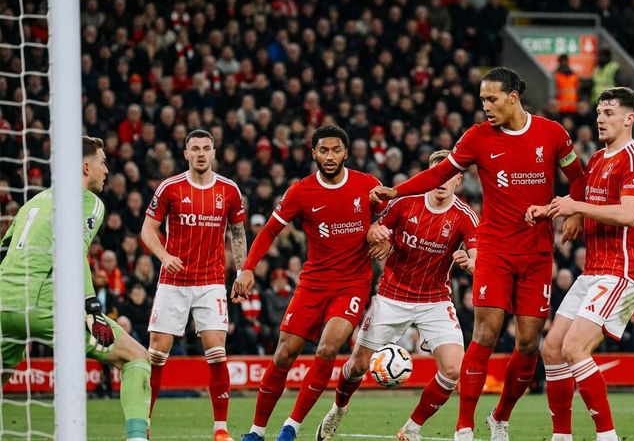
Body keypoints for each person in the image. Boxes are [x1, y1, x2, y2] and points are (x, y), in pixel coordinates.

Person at [370, 67, 586, 441]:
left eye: (492, 99)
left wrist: (577, 211)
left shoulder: (552, 133)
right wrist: (397, 191)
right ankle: (464, 427)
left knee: (528, 344)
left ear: (513, 97)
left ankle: (500, 417)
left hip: (536, 253)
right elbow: (438, 174)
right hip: (495, 250)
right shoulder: (477, 137)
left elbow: (578, 176)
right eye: (482, 99)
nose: (485, 106)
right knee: (485, 335)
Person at [316, 149, 479, 441]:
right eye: (436, 174)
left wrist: (469, 264)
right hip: (392, 296)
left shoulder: (465, 216)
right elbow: (374, 230)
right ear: (427, 176)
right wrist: (377, 235)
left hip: (435, 300)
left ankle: (412, 428)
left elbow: (480, 263)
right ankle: (338, 410)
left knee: (454, 369)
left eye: (448, 175)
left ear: (458, 179)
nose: (441, 180)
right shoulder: (404, 203)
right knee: (357, 365)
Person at [235, 124, 383, 441]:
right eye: (324, 150)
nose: (330, 156)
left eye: (336, 150)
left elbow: (395, 215)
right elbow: (270, 230)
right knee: (283, 355)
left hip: (353, 284)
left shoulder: (367, 185)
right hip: (313, 283)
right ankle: (256, 431)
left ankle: (291, 426)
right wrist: (247, 268)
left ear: (346, 152)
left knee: (328, 348)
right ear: (314, 152)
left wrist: (387, 236)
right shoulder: (300, 192)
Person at [0, 137, 151, 441]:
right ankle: (137, 438)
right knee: (136, 358)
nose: (106, 170)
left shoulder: (33, 202)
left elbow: (4, 251)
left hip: (4, 301)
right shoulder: (88, 200)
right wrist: (92, 308)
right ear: (86, 166)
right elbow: (73, 249)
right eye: (103, 162)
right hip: (44, 303)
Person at [535, 87, 634, 441]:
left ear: (629, 118)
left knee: (574, 348)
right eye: (599, 112)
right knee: (551, 349)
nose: (600, 119)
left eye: (609, 113)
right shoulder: (599, 158)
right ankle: (561, 436)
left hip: (623, 272)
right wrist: (563, 213)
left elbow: (629, 214)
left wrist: (577, 208)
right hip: (594, 271)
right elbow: (584, 200)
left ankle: (607, 436)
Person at [141, 129, 247, 441]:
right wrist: (164, 255)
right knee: (157, 354)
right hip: (173, 282)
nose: (201, 153)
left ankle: (221, 429)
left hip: (211, 282)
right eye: (195, 149)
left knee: (217, 352)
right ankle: (143, 424)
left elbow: (238, 233)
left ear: (214, 153)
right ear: (186, 153)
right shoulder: (170, 187)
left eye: (206, 148)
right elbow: (148, 229)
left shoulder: (229, 190)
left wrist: (242, 272)